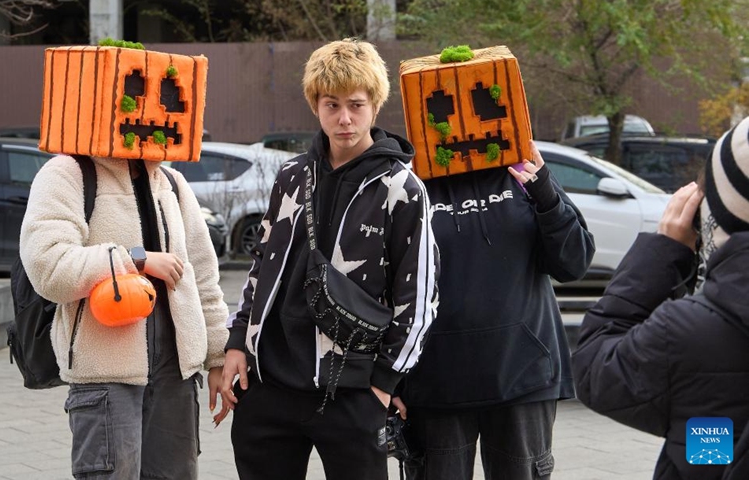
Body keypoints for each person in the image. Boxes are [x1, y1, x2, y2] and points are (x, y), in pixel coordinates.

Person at [220, 38, 440, 480]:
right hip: (269, 388)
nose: (344, 118)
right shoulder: (292, 176)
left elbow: (419, 297)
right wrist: (238, 341)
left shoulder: (401, 189)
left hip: (352, 391)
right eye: (332, 104)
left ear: (375, 107)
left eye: (356, 105)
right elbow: (262, 265)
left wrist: (383, 383)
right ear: (315, 106)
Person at [20, 44, 230, 478]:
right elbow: (48, 266)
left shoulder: (171, 181)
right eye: (135, 94)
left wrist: (215, 358)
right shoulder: (67, 173)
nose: (156, 109)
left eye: (168, 98)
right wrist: (133, 260)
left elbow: (204, 276)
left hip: (176, 372)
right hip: (106, 372)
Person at [394, 141, 596, 480]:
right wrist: (392, 377)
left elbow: (573, 262)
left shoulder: (521, 171)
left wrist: (544, 189)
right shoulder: (411, 181)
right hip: (435, 382)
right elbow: (390, 284)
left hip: (523, 373)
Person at [572, 116, 749, 480]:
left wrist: (663, 251)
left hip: (709, 454)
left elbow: (595, 369)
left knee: (712, 445)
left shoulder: (691, 330)